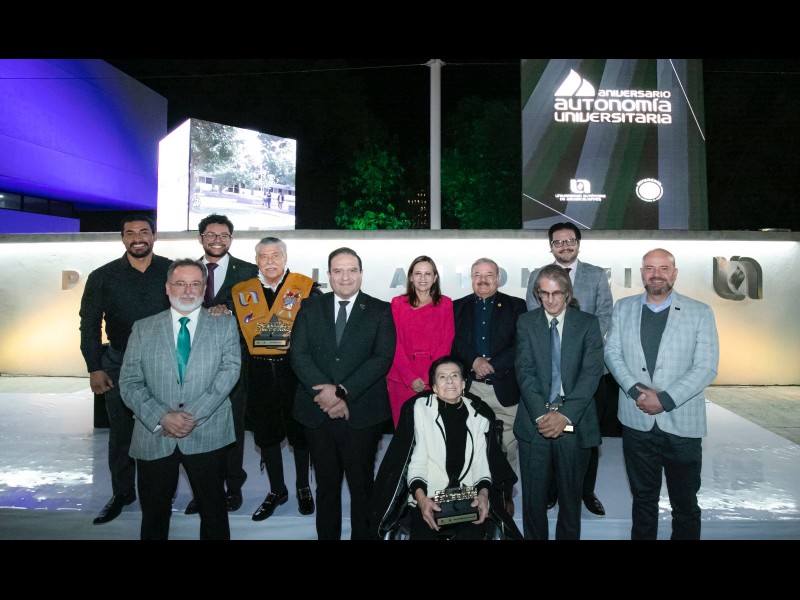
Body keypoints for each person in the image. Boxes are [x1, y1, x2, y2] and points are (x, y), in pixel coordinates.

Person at [119, 258, 241, 539]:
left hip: (208, 432)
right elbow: (129, 382)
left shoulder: (224, 325)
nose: (188, 291)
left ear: (204, 288)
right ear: (167, 288)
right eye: (180, 284)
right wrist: (162, 416)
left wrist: (191, 416)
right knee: (153, 515)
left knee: (213, 511)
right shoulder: (143, 328)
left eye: (195, 284)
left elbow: (230, 372)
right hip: (154, 434)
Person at [605, 248, 719, 540]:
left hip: (683, 424)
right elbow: (612, 353)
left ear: (675, 273)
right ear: (642, 273)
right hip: (637, 420)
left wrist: (665, 399)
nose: (656, 274)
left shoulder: (700, 311)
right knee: (643, 500)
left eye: (664, 268)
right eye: (650, 268)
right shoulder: (623, 307)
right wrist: (636, 391)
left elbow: (706, 367)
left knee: (685, 504)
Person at [290, 247, 395, 540]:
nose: (345, 277)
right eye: (338, 271)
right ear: (329, 275)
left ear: (361, 273)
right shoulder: (310, 307)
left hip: (361, 413)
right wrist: (326, 396)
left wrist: (342, 393)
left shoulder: (380, 310)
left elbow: (382, 358)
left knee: (362, 487)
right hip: (317, 412)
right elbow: (298, 354)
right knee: (326, 487)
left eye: (351, 270)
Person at [79, 214, 172, 525]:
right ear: (122, 238)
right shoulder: (102, 276)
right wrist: (94, 367)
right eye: (130, 233)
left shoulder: (172, 270)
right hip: (119, 363)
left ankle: (161, 493)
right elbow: (89, 325)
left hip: (165, 364)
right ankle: (122, 493)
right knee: (121, 434)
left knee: (165, 429)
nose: (137, 238)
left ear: (154, 236)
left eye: (144, 232)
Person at [525, 221, 614, 516]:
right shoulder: (538, 276)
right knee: (549, 433)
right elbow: (533, 317)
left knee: (587, 435)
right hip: (548, 371)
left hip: (588, 370)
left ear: (578, 243)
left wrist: (580, 344)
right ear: (551, 246)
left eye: (570, 240)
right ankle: (552, 491)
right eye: (558, 242)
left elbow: (605, 314)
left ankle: (585, 491)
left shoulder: (596, 274)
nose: (565, 246)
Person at [230, 236, 320, 522]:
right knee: (266, 435)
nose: (270, 261)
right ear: (256, 260)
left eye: (275, 255)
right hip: (257, 374)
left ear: (285, 258)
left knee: (300, 433)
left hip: (295, 373)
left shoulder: (307, 289)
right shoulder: (241, 293)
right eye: (264, 256)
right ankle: (277, 489)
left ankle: (303, 486)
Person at [515, 264, 604, 540]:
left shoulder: (588, 324)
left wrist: (564, 415)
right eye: (544, 294)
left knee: (570, 500)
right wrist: (542, 415)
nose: (550, 300)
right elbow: (524, 372)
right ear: (537, 294)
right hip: (535, 423)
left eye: (556, 293)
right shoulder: (526, 323)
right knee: (533, 501)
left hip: (574, 421)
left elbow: (591, 374)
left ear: (567, 293)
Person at [183, 214, 258, 516]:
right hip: (194, 363)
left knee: (233, 427)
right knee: (196, 424)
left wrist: (230, 310)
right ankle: (203, 490)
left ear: (231, 238)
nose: (217, 240)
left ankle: (233, 487)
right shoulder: (186, 271)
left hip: (235, 361)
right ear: (200, 238)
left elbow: (257, 313)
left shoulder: (249, 271)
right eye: (211, 235)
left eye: (223, 235)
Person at [451, 257, 526, 516]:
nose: (483, 280)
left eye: (489, 275)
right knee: (471, 445)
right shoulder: (457, 307)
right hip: (470, 389)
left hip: (504, 387)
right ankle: (474, 495)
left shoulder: (517, 306)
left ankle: (504, 494)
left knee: (507, 446)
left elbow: (521, 343)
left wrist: (492, 365)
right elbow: (455, 341)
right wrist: (474, 360)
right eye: (477, 275)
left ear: (498, 278)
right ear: (471, 278)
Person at [386, 255, 454, 428]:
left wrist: (429, 377)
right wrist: (410, 377)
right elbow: (394, 343)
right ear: (410, 277)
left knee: (432, 433)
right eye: (418, 274)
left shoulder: (445, 304)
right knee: (404, 432)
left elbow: (446, 343)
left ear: (435, 277)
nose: (423, 278)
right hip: (401, 381)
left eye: (427, 274)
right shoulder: (397, 304)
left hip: (433, 380)